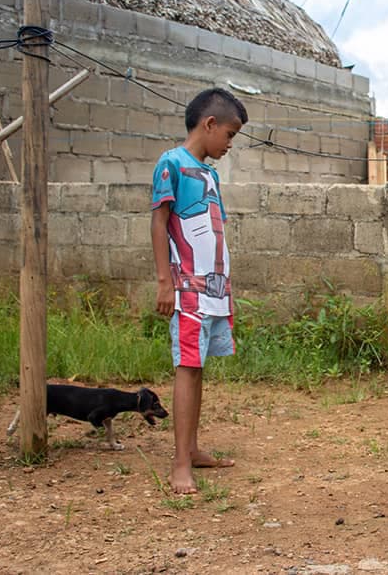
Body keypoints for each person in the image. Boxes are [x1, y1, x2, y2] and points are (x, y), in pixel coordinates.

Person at [151, 87, 248, 494]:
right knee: (187, 368)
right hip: (187, 289)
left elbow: (214, 232)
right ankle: (178, 464)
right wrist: (164, 280)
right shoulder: (171, 163)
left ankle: (191, 449)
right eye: (229, 135)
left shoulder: (208, 173)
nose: (229, 144)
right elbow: (160, 223)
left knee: (198, 367)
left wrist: (227, 288)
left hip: (212, 289)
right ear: (209, 124)